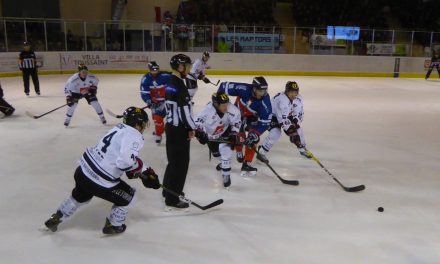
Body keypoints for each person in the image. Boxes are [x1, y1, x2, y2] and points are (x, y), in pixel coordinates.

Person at [42, 107, 161, 235]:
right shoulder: (134, 135)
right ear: (137, 124)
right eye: (142, 124)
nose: (143, 128)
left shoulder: (118, 128)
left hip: (83, 171)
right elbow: (125, 162)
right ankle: (114, 225)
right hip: (100, 180)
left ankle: (57, 217)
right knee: (130, 198)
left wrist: (144, 169)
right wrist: (142, 173)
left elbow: (117, 155)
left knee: (79, 196)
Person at [217, 76, 272, 176]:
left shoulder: (265, 103)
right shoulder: (244, 88)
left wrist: (255, 134)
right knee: (238, 134)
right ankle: (239, 151)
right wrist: (222, 104)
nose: (263, 93)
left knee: (252, 139)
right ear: (254, 88)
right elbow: (223, 86)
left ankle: (246, 163)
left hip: (253, 117)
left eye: (264, 90)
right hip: (238, 113)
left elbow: (265, 122)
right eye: (260, 90)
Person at [162, 54, 195, 210]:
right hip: (179, 129)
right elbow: (184, 112)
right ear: (180, 66)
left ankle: (167, 190)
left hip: (170, 127)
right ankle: (172, 198)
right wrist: (192, 128)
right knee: (181, 165)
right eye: (187, 66)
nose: (189, 69)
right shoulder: (180, 85)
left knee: (173, 161)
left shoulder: (169, 81)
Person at [194, 92, 242, 188]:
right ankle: (223, 163)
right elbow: (196, 123)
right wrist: (199, 134)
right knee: (215, 153)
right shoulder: (207, 111)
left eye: (227, 104)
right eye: (223, 105)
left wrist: (234, 133)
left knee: (226, 152)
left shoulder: (233, 110)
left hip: (225, 131)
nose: (226, 107)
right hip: (211, 135)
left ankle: (226, 174)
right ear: (216, 104)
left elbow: (236, 122)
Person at [257, 81, 311, 163]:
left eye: (295, 92)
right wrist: (292, 133)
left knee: (299, 131)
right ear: (286, 91)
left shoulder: (298, 98)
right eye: (291, 92)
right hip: (271, 115)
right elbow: (282, 121)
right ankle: (261, 152)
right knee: (276, 132)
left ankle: (302, 148)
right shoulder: (282, 100)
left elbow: (299, 113)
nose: (294, 94)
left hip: (285, 115)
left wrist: (295, 121)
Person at [140, 61, 172, 145]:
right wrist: (149, 100)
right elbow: (144, 93)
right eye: (153, 70)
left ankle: (169, 132)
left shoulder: (165, 76)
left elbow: (176, 78)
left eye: (157, 70)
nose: (155, 72)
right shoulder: (145, 79)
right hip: (156, 103)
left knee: (173, 119)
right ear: (149, 70)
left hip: (168, 101)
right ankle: (158, 133)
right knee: (158, 120)